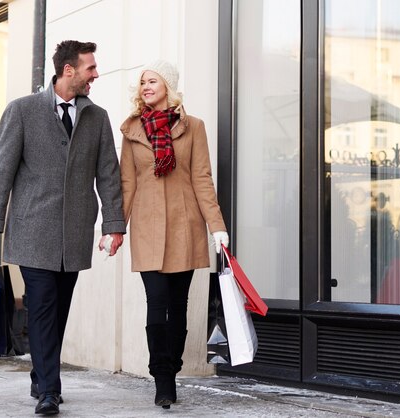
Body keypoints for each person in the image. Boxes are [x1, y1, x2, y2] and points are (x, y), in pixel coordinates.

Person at [0, 40, 125, 415]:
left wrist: (114, 224)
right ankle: (49, 390)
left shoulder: (97, 117)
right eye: (90, 67)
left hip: (74, 234)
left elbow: (109, 175)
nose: (96, 74)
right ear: (69, 71)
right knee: (42, 307)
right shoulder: (23, 111)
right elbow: (2, 173)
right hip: (32, 231)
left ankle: (40, 375)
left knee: (58, 311)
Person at [119, 60, 229, 409]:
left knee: (179, 309)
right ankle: (161, 376)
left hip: (185, 227)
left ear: (168, 84)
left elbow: (202, 179)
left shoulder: (193, 127)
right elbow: (127, 184)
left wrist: (218, 227)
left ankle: (173, 364)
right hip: (148, 229)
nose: (145, 87)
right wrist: (114, 228)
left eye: (152, 80)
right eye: (142, 83)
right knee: (157, 306)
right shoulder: (132, 130)